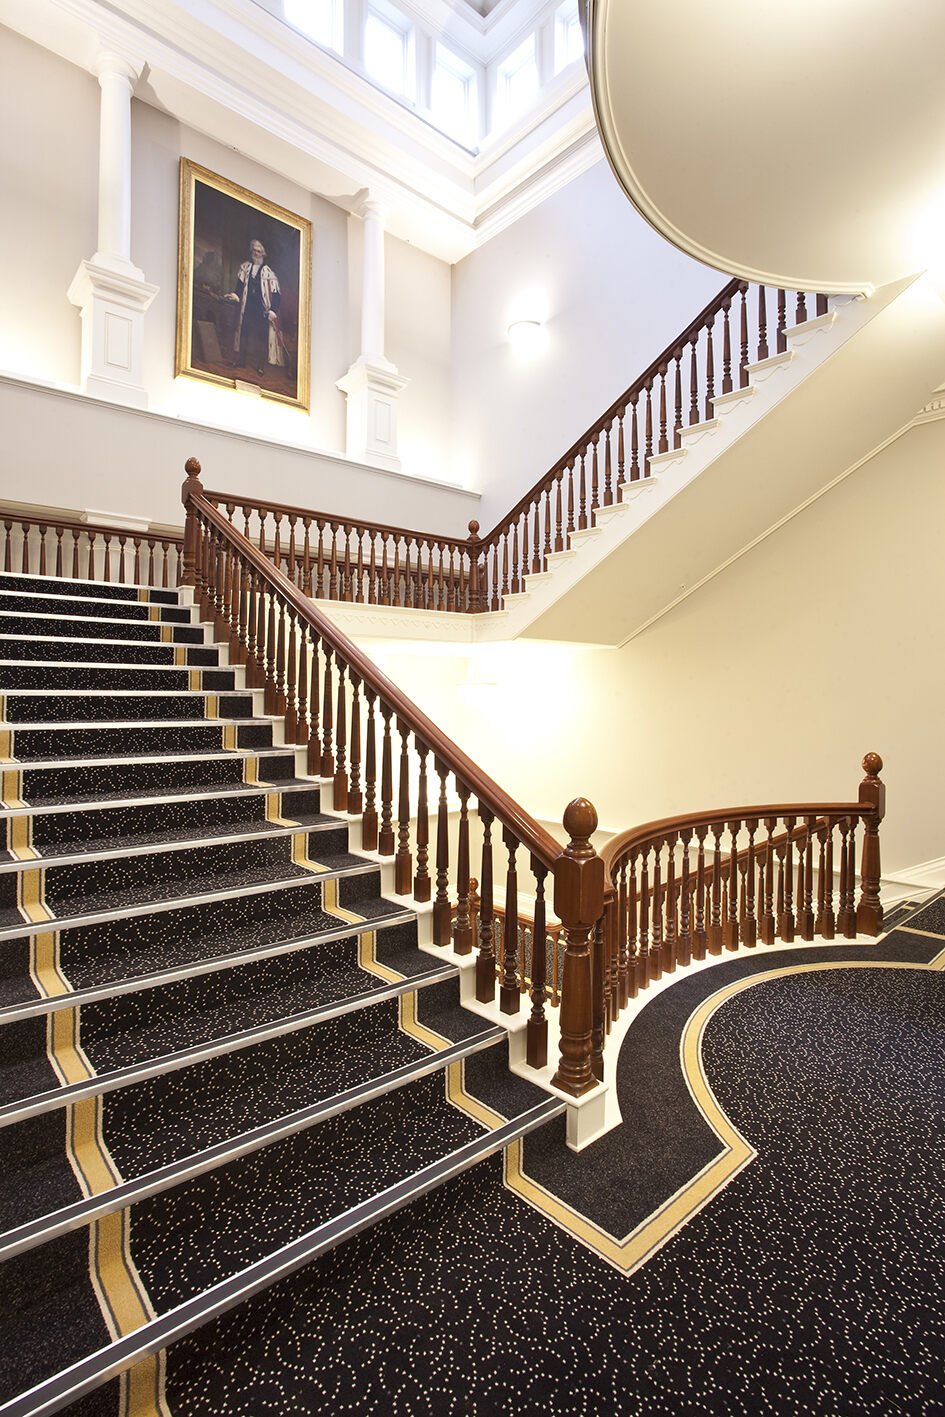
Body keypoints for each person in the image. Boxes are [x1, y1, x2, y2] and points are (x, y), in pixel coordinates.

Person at [224, 239, 285, 376]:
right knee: (244, 333)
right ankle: (240, 361)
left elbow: (276, 294)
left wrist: (273, 310)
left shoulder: (269, 273)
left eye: (258, 251)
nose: (256, 253)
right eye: (254, 251)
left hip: (262, 310)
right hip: (247, 307)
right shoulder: (245, 268)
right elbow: (239, 287)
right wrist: (235, 295)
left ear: (263, 253)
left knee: (261, 337)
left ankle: (260, 366)